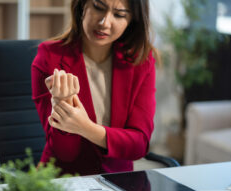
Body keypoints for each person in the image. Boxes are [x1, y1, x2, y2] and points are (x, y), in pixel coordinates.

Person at [31, 0, 158, 175]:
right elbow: (65, 154)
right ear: (83, 5)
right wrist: (63, 103)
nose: (104, 23)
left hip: (118, 180)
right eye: (98, 7)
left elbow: (138, 145)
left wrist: (85, 127)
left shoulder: (141, 61)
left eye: (119, 14)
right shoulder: (49, 57)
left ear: (131, 21)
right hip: (63, 180)